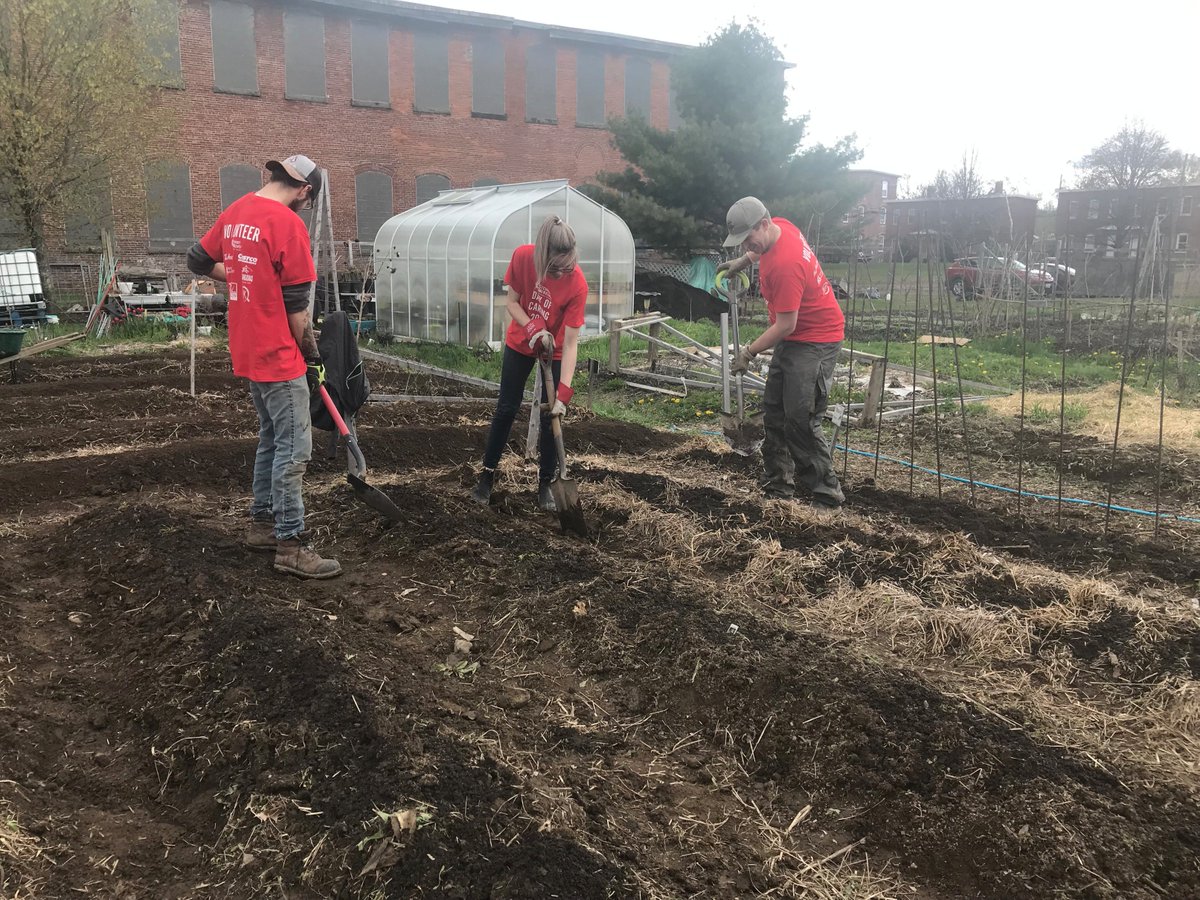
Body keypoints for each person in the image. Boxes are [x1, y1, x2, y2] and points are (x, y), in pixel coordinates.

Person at [186, 155, 342, 578]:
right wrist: (312, 354)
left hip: (248, 349)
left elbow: (197, 260)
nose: (305, 206)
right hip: (278, 355)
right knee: (294, 451)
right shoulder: (288, 225)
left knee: (272, 440)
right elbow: (297, 310)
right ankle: (290, 544)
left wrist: (242, 278)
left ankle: (262, 525)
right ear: (305, 190)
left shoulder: (237, 211)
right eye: (309, 199)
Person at [719, 196, 846, 510]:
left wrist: (748, 352)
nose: (746, 245)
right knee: (774, 411)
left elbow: (786, 325)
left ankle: (827, 495)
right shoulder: (780, 226)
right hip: (795, 336)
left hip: (816, 339)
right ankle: (778, 487)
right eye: (742, 241)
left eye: (748, 238)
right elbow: (759, 247)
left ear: (763, 224)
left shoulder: (786, 265)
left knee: (800, 418)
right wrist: (742, 262)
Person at [471, 215, 587, 510]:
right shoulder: (523, 257)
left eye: (566, 267)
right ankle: (487, 476)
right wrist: (533, 327)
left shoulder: (577, 283)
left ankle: (546, 485)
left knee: (552, 419)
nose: (561, 273)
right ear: (543, 254)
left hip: (555, 349)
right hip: (521, 341)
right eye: (555, 268)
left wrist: (564, 394)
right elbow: (512, 302)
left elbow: (571, 342)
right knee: (506, 408)